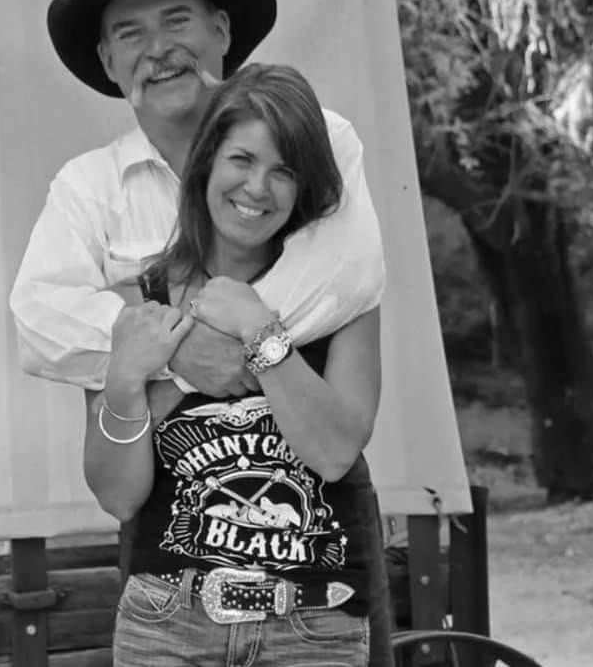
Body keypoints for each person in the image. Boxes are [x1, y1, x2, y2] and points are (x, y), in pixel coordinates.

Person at [10, 0, 393, 665]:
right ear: (108, 61)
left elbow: (353, 275)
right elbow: (44, 326)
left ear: (221, 31)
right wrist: (182, 355)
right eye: (131, 32)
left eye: (177, 20)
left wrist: (213, 339)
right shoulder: (89, 192)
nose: (159, 48)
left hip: (318, 576)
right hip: (173, 576)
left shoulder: (327, 136)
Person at [85, 62, 383, 666]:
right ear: (207, 165)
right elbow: (118, 497)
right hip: (169, 622)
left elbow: (332, 451)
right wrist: (123, 379)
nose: (257, 189)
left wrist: (258, 327)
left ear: (306, 189)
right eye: (242, 160)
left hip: (314, 626)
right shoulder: (139, 297)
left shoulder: (342, 299)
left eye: (284, 172)